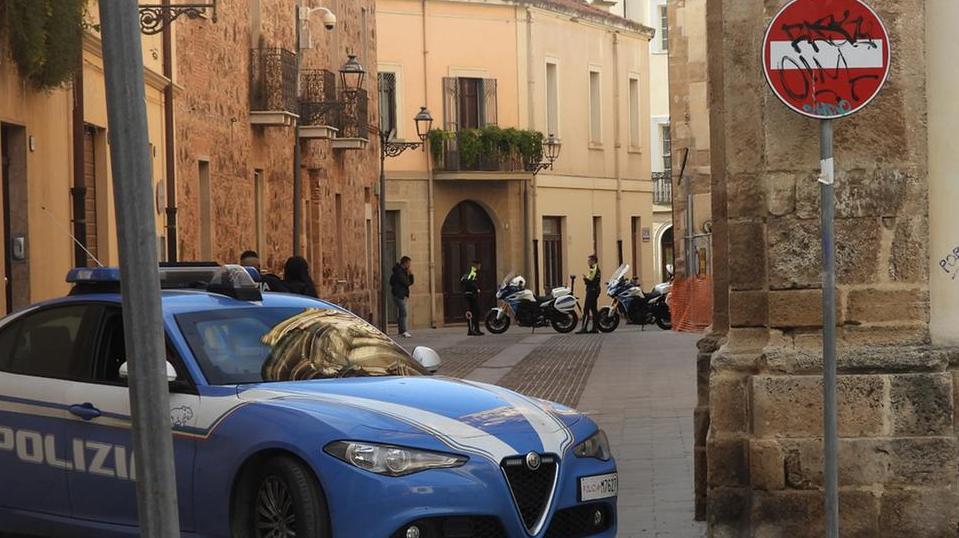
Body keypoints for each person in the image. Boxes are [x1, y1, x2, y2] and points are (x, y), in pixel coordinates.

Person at [390, 256, 414, 338]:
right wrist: (409, 274)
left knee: (401, 313)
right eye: (409, 263)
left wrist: (410, 275)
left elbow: (410, 282)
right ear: (405, 263)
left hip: (401, 294)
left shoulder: (403, 271)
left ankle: (401, 331)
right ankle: (403, 331)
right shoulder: (399, 272)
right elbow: (406, 283)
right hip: (398, 295)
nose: (409, 265)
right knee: (403, 312)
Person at [577, 254, 601, 334]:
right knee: (594, 309)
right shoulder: (595, 269)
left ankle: (584, 328)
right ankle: (595, 328)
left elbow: (590, 280)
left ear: (593, 261)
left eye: (589, 260)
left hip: (592, 290)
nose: (588, 262)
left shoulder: (593, 269)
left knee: (586, 309)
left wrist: (585, 279)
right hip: (595, 290)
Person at [461, 260, 484, 336]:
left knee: (476, 312)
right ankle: (471, 330)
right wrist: (476, 289)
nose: (480, 267)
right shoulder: (472, 272)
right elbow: (469, 281)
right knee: (471, 313)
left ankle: (476, 329)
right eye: (479, 265)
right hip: (470, 295)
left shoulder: (472, 272)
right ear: (476, 265)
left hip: (471, 295)